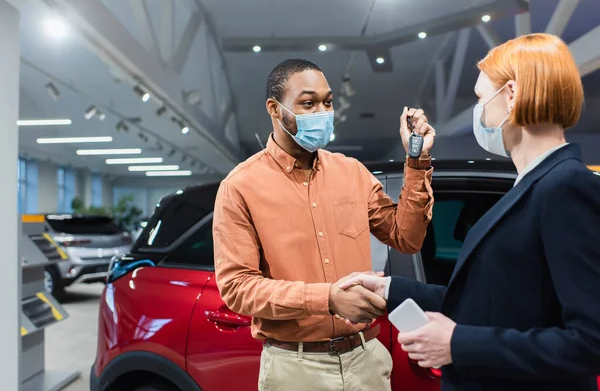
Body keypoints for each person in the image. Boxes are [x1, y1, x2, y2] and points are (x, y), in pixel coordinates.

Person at [339, 33, 600, 391]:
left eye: (481, 98)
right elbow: (489, 302)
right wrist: (388, 289)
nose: (480, 112)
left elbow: (590, 342)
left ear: (511, 95)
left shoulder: (567, 188)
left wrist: (457, 343)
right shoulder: (534, 186)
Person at [212, 58, 436, 391]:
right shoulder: (240, 186)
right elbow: (237, 288)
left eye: (327, 102)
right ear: (275, 109)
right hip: (294, 368)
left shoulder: (351, 173)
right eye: (308, 103)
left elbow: (406, 238)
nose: (323, 111)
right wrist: (327, 298)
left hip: (366, 360)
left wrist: (417, 161)